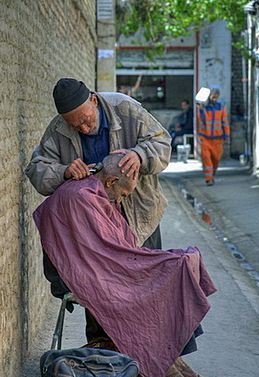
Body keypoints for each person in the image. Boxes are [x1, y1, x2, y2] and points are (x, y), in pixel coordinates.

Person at [33, 153, 217, 377]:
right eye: (123, 193)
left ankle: (170, 357)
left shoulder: (98, 194)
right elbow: (102, 253)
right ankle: (161, 367)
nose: (121, 199)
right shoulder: (80, 197)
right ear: (110, 182)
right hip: (76, 274)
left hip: (97, 267)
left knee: (177, 267)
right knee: (161, 280)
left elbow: (116, 246)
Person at [25, 77, 171, 342]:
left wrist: (139, 155)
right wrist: (63, 171)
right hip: (95, 222)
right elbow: (36, 169)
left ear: (93, 99)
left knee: (147, 284)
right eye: (75, 124)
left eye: (86, 119)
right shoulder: (59, 129)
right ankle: (102, 352)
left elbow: (163, 145)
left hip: (137, 213)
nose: (82, 126)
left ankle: (154, 350)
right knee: (99, 284)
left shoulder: (125, 109)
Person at [196, 87, 230, 185]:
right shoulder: (204, 108)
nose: (214, 98)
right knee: (206, 159)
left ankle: (212, 175)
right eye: (212, 96)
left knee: (216, 159)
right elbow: (201, 119)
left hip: (218, 139)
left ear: (218, 97)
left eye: (216, 97)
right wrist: (200, 108)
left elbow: (225, 123)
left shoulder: (221, 107)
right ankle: (209, 178)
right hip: (205, 138)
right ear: (209, 96)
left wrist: (227, 136)